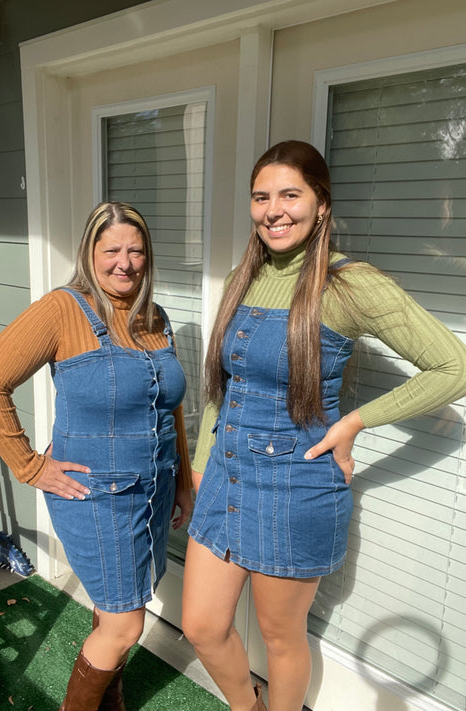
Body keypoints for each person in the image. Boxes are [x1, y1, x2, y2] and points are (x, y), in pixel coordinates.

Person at [181, 140, 466, 711]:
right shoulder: (244, 275)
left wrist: (356, 422)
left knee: (282, 638)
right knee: (202, 626)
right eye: (261, 197)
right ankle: (247, 706)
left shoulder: (350, 285)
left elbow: (452, 367)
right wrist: (196, 468)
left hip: (295, 485)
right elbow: (224, 387)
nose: (273, 210)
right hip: (224, 480)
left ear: (321, 203)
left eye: (291, 194)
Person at [0, 202, 193, 711]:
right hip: (98, 497)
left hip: (153, 489)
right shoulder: (62, 309)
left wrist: (182, 480)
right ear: (90, 254)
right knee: (125, 621)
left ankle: (109, 700)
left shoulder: (156, 317)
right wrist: (30, 465)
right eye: (111, 250)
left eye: (136, 251)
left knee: (120, 607)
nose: (125, 262)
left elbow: (170, 408)